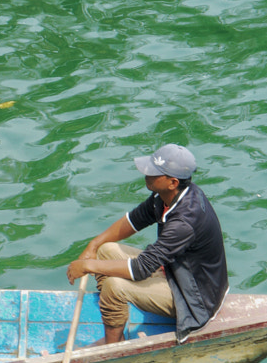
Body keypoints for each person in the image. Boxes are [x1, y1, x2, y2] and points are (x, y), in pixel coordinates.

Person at [64, 142, 228, 343]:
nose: (146, 174)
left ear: (173, 182)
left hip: (193, 297)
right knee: (104, 250)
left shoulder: (185, 221)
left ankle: (112, 348)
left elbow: (141, 268)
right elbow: (135, 219)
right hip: (174, 270)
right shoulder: (166, 196)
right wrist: (93, 245)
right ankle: (114, 313)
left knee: (114, 286)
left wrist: (88, 265)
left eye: (154, 172)